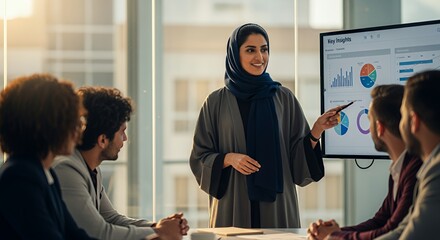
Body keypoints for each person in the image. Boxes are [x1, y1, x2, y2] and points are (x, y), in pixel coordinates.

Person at [189, 23, 340, 228]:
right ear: (235, 54)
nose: (260, 57)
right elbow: (200, 157)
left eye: (264, 49)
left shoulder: (284, 98)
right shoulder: (215, 102)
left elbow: (296, 157)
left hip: (277, 207)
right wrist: (229, 159)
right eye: (251, 50)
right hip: (234, 203)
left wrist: (316, 131)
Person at [52, 87, 189, 240]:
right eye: (122, 131)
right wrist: (160, 232)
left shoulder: (91, 168)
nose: (125, 138)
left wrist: (157, 226)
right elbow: (99, 233)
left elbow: (112, 218)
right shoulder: (67, 170)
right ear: (103, 140)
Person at [307, 84, 422, 240]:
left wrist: (335, 235)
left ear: (379, 128)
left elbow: (392, 229)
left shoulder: (415, 170)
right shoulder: (400, 167)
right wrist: (333, 232)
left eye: (369, 120)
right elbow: (380, 221)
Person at [0, 74, 94, 239]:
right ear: (48, 125)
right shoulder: (19, 177)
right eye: (73, 121)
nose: (79, 129)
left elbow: (75, 235)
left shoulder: (45, 172)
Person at [375, 70, 440, 239]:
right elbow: (402, 229)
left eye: (402, 116)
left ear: (414, 121)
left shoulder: (436, 172)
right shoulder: (430, 167)